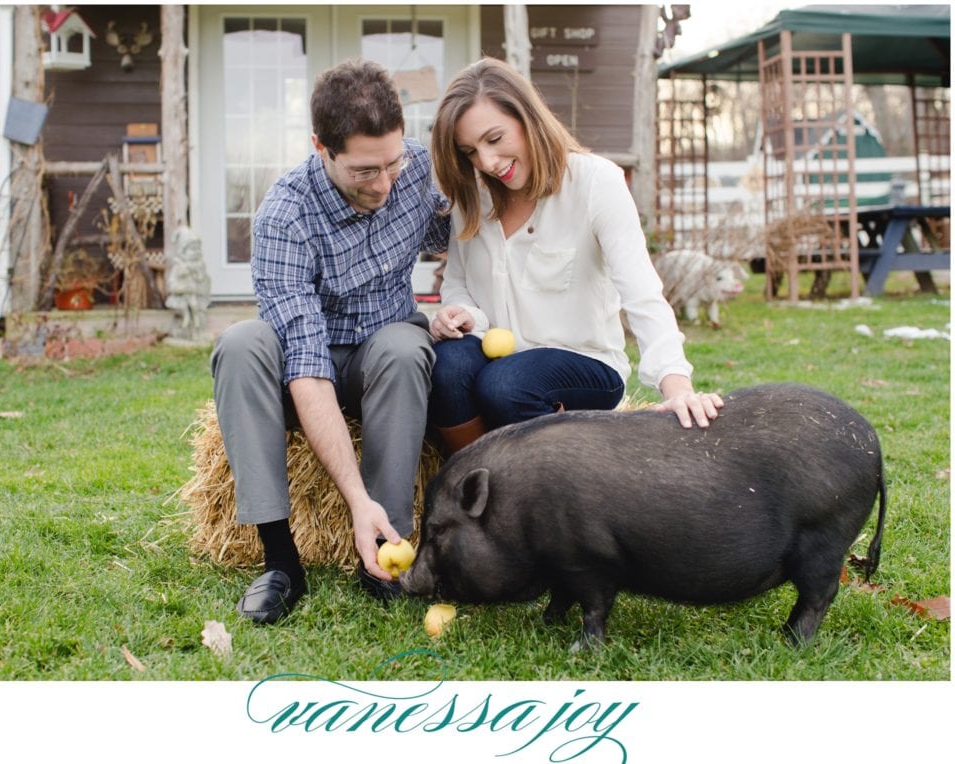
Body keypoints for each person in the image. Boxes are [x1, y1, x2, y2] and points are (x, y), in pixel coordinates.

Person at [211, 59, 450, 625]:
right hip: (306, 369)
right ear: (320, 147)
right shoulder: (284, 215)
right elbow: (306, 365)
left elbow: (467, 232)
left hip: (383, 360)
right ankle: (280, 561)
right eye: (366, 171)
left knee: (404, 345)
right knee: (241, 344)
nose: (386, 183)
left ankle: (387, 550)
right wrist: (352, 499)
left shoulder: (414, 168)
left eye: (393, 163)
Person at [427, 57, 722, 453]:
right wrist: (460, 313)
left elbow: (641, 293)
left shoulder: (596, 182)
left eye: (495, 139)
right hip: (500, 358)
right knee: (446, 366)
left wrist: (677, 385)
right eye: (470, 152)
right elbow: (459, 285)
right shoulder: (472, 200)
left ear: (526, 118)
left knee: (506, 385)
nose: (487, 163)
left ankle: (543, 490)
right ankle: (472, 485)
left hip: (584, 362)